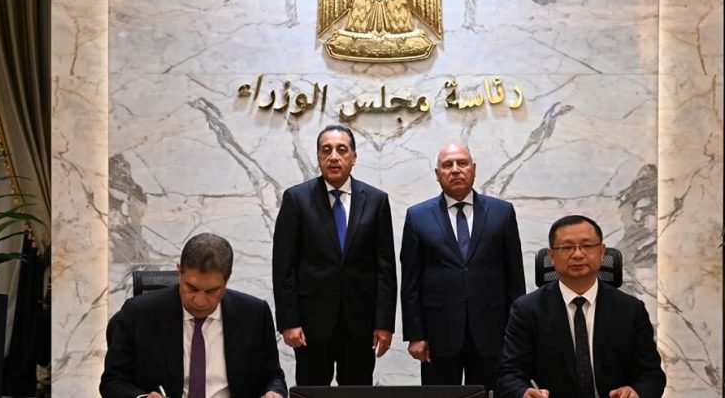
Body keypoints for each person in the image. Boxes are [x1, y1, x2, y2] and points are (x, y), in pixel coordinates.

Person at [272, 125, 397, 385]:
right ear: (318, 157)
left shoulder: (376, 201)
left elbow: (385, 269)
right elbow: (284, 267)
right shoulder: (297, 199)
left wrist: (384, 323)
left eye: (342, 150)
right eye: (326, 150)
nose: (334, 157)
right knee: (312, 390)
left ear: (354, 157)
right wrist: (288, 321)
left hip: (360, 324)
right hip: (311, 325)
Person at [496, 215, 666, 398]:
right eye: (566, 247)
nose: (577, 254)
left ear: (602, 252)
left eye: (587, 246)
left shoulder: (630, 309)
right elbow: (508, 374)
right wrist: (522, 393)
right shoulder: (527, 310)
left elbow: (651, 375)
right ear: (551, 256)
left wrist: (637, 392)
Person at [400, 143, 526, 391]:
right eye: (448, 165)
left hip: (492, 331)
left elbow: (515, 277)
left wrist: (517, 333)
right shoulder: (418, 216)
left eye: (462, 163)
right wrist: (415, 334)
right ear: (437, 174)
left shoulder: (502, 212)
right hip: (438, 333)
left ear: (474, 169)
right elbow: (410, 282)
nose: (456, 170)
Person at [100, 233, 287, 398]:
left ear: (228, 279)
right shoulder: (140, 314)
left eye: (211, 291)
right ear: (179, 271)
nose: (199, 301)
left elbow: (273, 376)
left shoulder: (254, 314)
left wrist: (274, 392)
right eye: (191, 288)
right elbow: (112, 382)